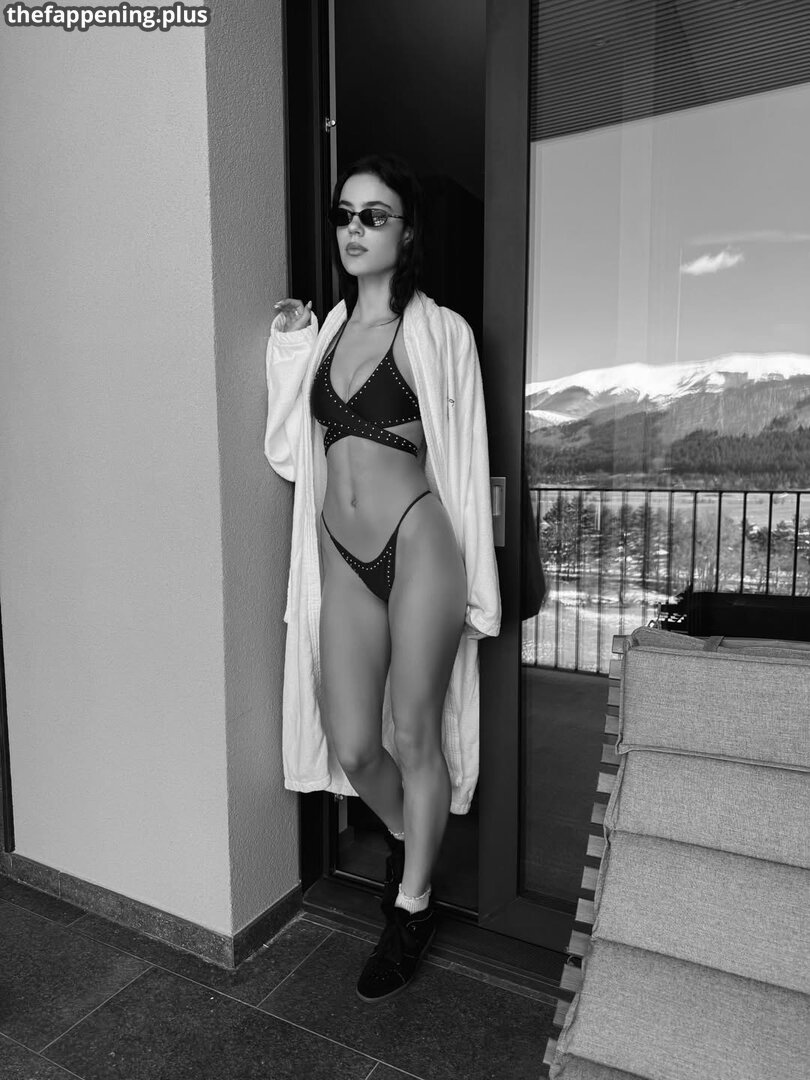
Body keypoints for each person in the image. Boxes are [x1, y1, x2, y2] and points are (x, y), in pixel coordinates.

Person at [264, 154, 500, 1003]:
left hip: (417, 544)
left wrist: (484, 576)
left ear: (407, 231)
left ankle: (412, 903)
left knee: (413, 734)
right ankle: (410, 836)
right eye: (344, 215)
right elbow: (293, 451)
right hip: (340, 553)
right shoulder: (328, 331)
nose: (354, 230)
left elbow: (464, 454)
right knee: (356, 743)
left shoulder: (441, 333)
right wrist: (291, 347)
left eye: (374, 215)